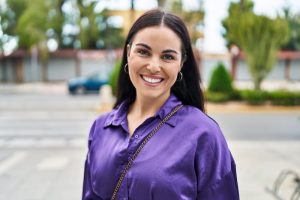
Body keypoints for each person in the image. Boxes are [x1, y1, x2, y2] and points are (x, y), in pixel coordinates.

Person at [82, 8, 239, 200]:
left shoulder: (204, 134)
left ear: (181, 64)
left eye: (168, 57)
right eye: (143, 52)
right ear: (129, 52)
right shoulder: (101, 128)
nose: (154, 66)